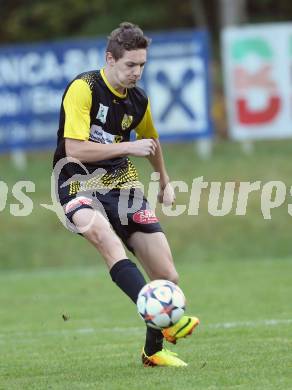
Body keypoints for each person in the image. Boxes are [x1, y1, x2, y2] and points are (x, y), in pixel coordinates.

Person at [53, 21, 199, 367]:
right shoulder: (84, 88)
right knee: (105, 237)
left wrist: (164, 179)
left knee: (168, 275)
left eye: (142, 65)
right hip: (76, 180)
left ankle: (153, 352)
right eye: (130, 65)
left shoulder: (138, 100)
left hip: (122, 186)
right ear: (110, 59)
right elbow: (73, 148)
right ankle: (164, 317)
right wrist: (130, 146)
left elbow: (152, 141)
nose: (137, 72)